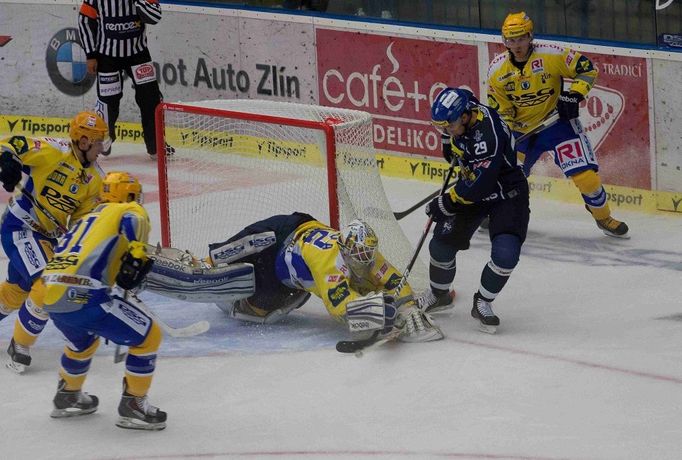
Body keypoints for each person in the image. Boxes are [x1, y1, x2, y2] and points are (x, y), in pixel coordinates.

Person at [146, 213, 443, 343]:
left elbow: (393, 280)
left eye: (368, 257)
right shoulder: (331, 262)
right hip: (281, 233)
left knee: (264, 313)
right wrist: (383, 311)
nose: (364, 263)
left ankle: (232, 287)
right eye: (358, 258)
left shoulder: (363, 251)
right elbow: (340, 309)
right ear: (344, 249)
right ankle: (193, 260)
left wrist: (407, 307)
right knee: (231, 257)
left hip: (280, 276)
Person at [487, 12, 628, 238]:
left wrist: (574, 95)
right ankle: (494, 211)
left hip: (558, 126)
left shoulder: (552, 54)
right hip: (522, 131)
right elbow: (502, 110)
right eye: (510, 40)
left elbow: (588, 69)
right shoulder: (497, 71)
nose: (516, 45)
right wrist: (507, 137)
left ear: (530, 36)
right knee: (506, 178)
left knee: (587, 179)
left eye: (521, 38)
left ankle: (603, 217)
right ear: (504, 41)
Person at [42, 171, 165, 430]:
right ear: (128, 195)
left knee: (82, 342)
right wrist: (138, 253)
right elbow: (134, 218)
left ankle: (67, 395)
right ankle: (134, 405)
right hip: (86, 296)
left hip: (51, 295)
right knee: (149, 335)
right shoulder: (127, 208)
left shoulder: (86, 219)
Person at [0, 111, 107, 373]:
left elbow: (83, 224)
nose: (102, 148)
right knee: (48, 286)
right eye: (98, 142)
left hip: (46, 238)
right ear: (83, 141)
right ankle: (20, 346)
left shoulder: (95, 179)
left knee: (17, 292)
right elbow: (11, 145)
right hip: (20, 227)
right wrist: (8, 163)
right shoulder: (53, 151)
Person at [416, 87, 530, 334]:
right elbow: (465, 94)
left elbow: (480, 185)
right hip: (474, 184)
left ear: (466, 116)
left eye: (449, 126)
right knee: (441, 246)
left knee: (506, 253)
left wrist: (445, 202)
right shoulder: (468, 109)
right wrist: (448, 138)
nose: (446, 130)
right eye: (441, 127)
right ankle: (439, 295)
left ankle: (483, 302)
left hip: (505, 193)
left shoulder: (488, 136)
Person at [78, 0, 170, 159]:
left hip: (138, 55)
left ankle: (156, 147)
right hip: (107, 56)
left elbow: (155, 17)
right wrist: (91, 54)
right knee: (108, 101)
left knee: (151, 99)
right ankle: (102, 142)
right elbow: (85, 20)